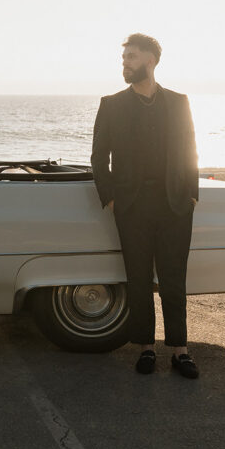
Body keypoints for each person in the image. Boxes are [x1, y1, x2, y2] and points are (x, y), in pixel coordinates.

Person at [90, 34, 200, 379]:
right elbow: (98, 156)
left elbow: (190, 150)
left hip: (174, 204)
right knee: (138, 279)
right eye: (124, 57)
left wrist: (191, 194)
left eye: (132, 57)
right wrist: (110, 197)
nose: (125, 62)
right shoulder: (111, 104)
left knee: (173, 279)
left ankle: (180, 350)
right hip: (132, 206)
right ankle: (146, 348)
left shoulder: (179, 102)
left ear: (151, 60)